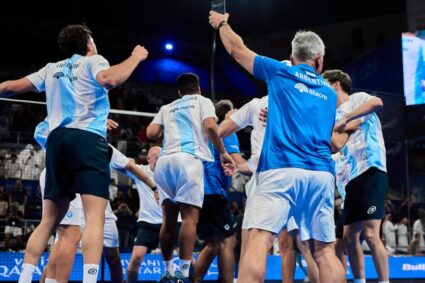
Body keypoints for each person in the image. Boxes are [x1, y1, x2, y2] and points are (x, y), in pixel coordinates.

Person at [0, 24, 148, 283]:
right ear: (89, 43)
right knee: (94, 217)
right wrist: (136, 56)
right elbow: (109, 80)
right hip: (87, 140)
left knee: (48, 221)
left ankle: (24, 278)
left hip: (57, 142)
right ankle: (90, 280)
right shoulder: (93, 61)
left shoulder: (51, 69)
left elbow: (9, 87)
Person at [209, 11, 344, 283]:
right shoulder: (330, 94)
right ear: (319, 60)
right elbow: (326, 137)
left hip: (280, 171)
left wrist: (221, 23)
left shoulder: (281, 72)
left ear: (293, 58)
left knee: (259, 239)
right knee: (324, 251)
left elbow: (237, 49)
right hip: (320, 175)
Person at [147, 72, 236, 283]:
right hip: (188, 161)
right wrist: (223, 152)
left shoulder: (166, 107)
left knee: (168, 222)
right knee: (189, 219)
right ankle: (183, 272)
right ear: (198, 89)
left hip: (165, 162)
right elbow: (210, 127)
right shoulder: (202, 101)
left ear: (179, 92)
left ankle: (168, 271)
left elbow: (151, 133)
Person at [323, 69, 388, 283]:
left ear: (335, 85)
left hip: (370, 170)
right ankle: (359, 281)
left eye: (324, 86)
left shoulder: (357, 100)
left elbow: (377, 102)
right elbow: (332, 146)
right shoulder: (329, 118)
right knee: (349, 238)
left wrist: (347, 120)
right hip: (349, 184)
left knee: (371, 234)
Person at [193, 100, 246, 283]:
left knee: (212, 243)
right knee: (228, 241)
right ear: (228, 114)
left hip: (198, 193)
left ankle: (195, 279)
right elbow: (237, 162)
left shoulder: (205, 133)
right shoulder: (226, 130)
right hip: (213, 192)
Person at [126, 146, 163, 283]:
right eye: (157, 158)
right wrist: (128, 161)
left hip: (169, 223)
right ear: (148, 159)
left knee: (185, 258)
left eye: (162, 158)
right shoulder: (141, 171)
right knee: (136, 258)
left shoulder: (169, 171)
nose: (160, 161)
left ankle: (196, 279)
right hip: (147, 224)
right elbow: (123, 164)